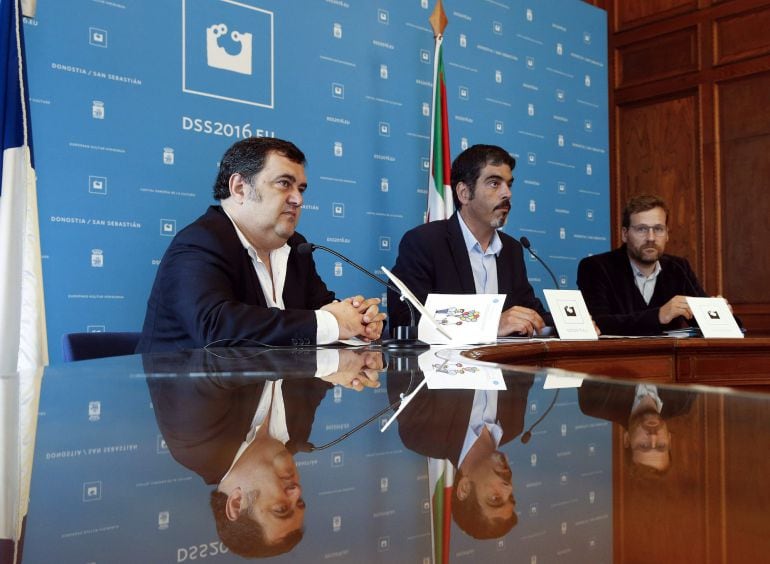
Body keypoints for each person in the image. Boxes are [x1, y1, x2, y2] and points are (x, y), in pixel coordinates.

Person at [136, 137, 385, 352]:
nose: (298, 199)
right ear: (240, 188)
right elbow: (215, 328)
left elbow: (321, 307)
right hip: (204, 400)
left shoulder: (297, 247)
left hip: (277, 395)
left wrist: (358, 321)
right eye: (284, 183)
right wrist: (333, 323)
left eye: (301, 188)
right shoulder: (200, 242)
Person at [387, 144, 551, 337]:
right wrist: (491, 324)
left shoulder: (511, 249)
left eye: (509, 184)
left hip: (503, 364)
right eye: (494, 183)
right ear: (464, 193)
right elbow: (407, 319)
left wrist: (572, 324)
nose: (507, 193)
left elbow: (530, 309)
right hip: (444, 365)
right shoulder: (424, 242)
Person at [387, 366, 534, 539]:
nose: (508, 488)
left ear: (464, 488)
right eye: (511, 497)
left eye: (495, 499)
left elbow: (406, 351)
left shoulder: (423, 434)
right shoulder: (514, 423)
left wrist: (481, 337)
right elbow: (525, 357)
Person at [577, 194, 732, 336]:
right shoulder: (595, 267)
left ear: (667, 234)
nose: (651, 238)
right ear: (625, 234)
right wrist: (659, 315)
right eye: (642, 229)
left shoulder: (678, 268)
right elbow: (598, 324)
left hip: (670, 362)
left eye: (658, 229)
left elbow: (705, 322)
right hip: (617, 362)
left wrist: (719, 314)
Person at [578, 379, 695, 473]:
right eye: (661, 445)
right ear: (669, 439)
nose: (653, 436)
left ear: (627, 439)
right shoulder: (684, 401)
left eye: (644, 445)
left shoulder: (596, 402)